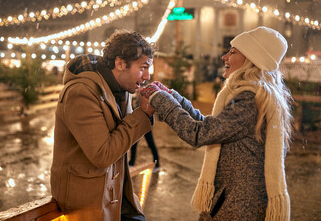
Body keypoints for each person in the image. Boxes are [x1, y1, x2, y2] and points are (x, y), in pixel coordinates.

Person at [139, 26, 293, 220]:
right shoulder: (253, 95)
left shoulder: (250, 100)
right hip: (234, 201)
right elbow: (213, 128)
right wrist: (173, 97)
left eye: (233, 52)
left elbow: (198, 134)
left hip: (238, 207)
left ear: (251, 60)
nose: (224, 57)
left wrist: (159, 98)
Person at [50, 29, 155, 221]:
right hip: (87, 202)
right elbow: (102, 154)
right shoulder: (81, 92)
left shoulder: (120, 89)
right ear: (120, 63)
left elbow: (123, 139)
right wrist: (143, 114)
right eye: (143, 68)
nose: (147, 76)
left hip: (114, 194)